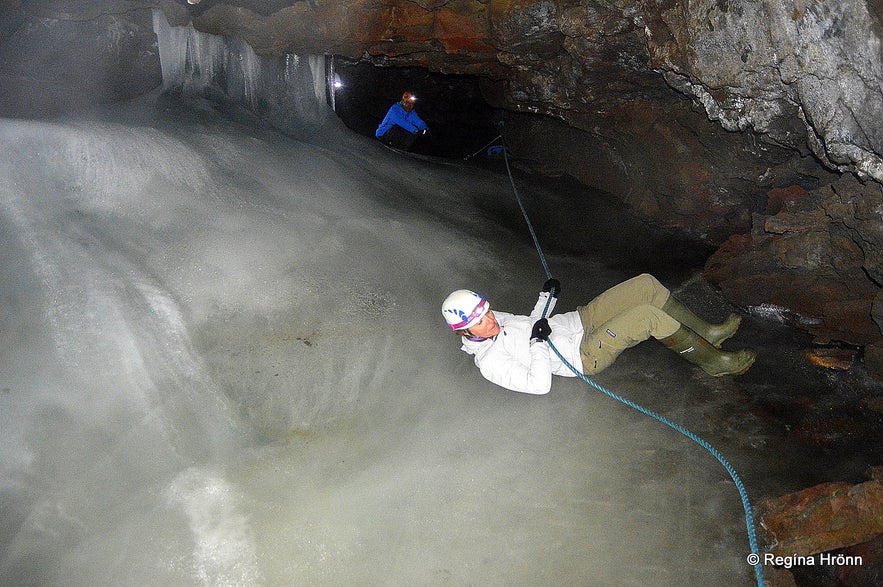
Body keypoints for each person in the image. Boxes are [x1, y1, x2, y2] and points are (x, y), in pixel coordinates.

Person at [441, 274, 756, 395]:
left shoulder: (495, 319)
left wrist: (546, 297)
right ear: (464, 330)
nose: (491, 320)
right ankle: (714, 362)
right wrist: (538, 343)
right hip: (583, 354)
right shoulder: (490, 363)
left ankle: (708, 334)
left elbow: (532, 321)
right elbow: (539, 386)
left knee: (644, 285)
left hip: (579, 320)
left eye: (488, 312)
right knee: (647, 317)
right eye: (480, 321)